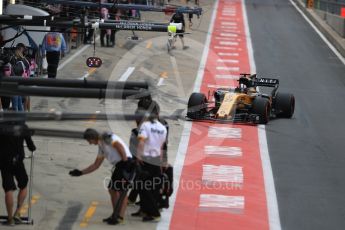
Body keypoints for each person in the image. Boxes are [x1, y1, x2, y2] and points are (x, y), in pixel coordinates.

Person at [69, 128, 133, 225]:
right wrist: (81, 172)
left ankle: (120, 217)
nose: (89, 143)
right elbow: (96, 165)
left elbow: (119, 146)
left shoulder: (106, 138)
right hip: (120, 165)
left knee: (121, 191)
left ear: (93, 137)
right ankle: (115, 214)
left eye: (89, 140)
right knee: (112, 190)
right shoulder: (101, 146)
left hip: (125, 163)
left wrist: (125, 165)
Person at [133, 101, 167, 222]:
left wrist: (138, 156)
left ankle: (154, 213)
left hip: (146, 160)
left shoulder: (145, 126)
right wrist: (162, 162)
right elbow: (162, 147)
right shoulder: (163, 128)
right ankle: (146, 211)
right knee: (152, 188)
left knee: (142, 186)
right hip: (157, 160)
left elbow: (141, 142)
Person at [0, 122, 36, 226]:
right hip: (17, 161)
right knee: (23, 185)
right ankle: (17, 212)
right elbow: (31, 146)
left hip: (4, 161)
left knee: (8, 189)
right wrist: (33, 148)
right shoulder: (22, 126)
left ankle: (10, 218)